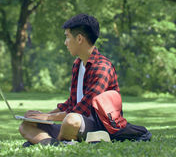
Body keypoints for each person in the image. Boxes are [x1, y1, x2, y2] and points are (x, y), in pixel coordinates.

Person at [19, 14, 151, 147]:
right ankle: (56, 142)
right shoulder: (78, 64)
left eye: (67, 37)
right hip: (76, 125)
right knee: (26, 125)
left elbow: (83, 109)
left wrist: (49, 118)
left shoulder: (102, 67)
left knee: (71, 120)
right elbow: (72, 103)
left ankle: (50, 141)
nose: (65, 42)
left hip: (98, 125)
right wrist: (43, 115)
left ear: (80, 39)